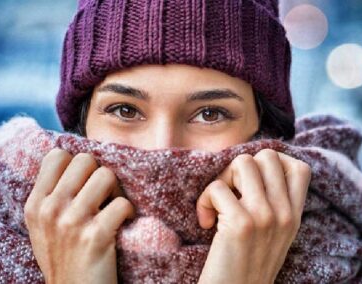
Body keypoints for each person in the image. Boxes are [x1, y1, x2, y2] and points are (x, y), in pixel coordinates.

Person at [23, 0, 313, 283]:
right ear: (82, 124)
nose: (162, 150)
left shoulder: (347, 250)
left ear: (264, 130)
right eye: (126, 110)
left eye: (210, 114)